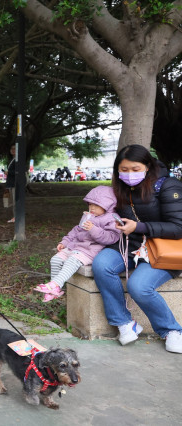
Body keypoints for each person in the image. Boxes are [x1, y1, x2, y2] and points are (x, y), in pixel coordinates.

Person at [92, 144, 182, 353]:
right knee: (102, 264)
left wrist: (139, 227)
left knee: (139, 286)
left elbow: (178, 227)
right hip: (129, 244)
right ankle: (124, 323)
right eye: (124, 170)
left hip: (163, 248)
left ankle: (171, 330)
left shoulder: (168, 186)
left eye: (135, 169)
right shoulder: (120, 187)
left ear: (147, 167)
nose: (129, 174)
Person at [34, 185, 121, 302]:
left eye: (96, 205)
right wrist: (65, 241)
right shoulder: (88, 216)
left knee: (71, 261)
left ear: (108, 205)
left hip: (90, 250)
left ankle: (55, 284)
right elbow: (77, 230)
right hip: (75, 247)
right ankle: (55, 288)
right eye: (90, 204)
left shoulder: (111, 218)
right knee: (55, 260)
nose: (92, 207)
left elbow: (111, 237)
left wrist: (93, 229)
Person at [5, 144, 16, 223]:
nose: (12, 150)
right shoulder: (12, 159)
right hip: (10, 183)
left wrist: (9, 172)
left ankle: (16, 217)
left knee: (15, 201)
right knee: (11, 201)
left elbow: (18, 172)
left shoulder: (18, 160)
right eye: (11, 149)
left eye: (14, 149)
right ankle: (15, 216)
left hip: (15, 183)